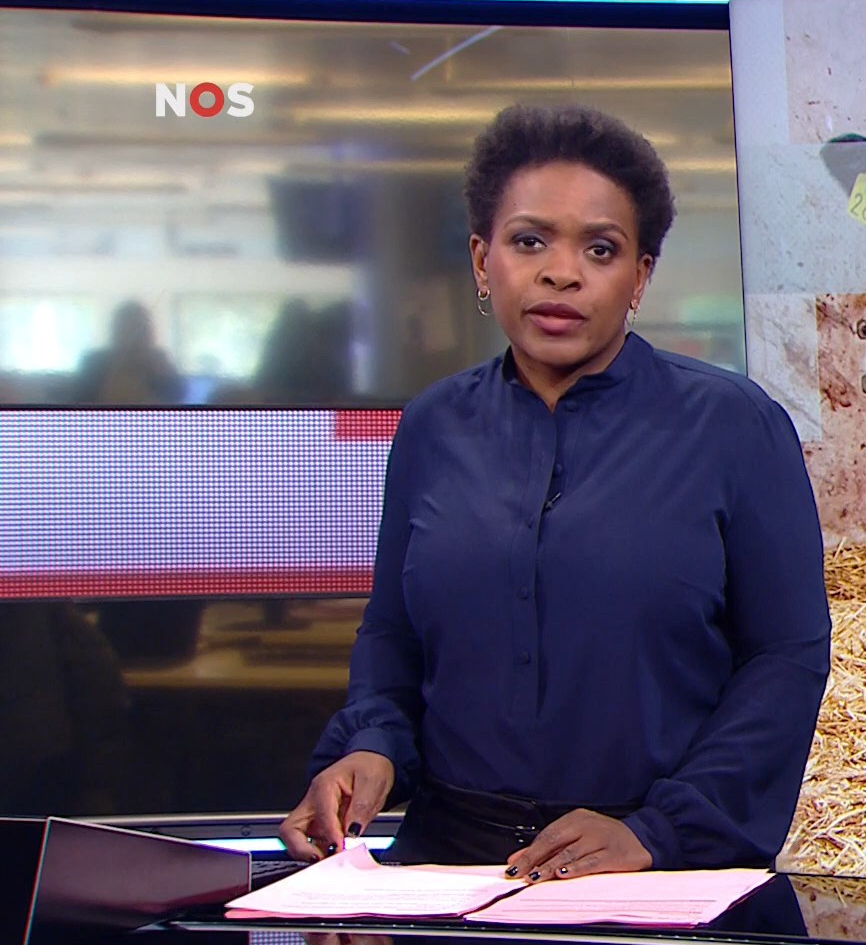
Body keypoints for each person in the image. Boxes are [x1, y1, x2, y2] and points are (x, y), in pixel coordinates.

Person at [278, 104, 831, 881]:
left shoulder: (735, 426)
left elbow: (786, 656)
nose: (560, 273)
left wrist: (661, 830)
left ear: (640, 276)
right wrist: (369, 746)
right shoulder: (433, 426)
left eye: (600, 249)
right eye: (529, 241)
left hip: (652, 871)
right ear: (482, 261)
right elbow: (394, 634)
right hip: (446, 869)